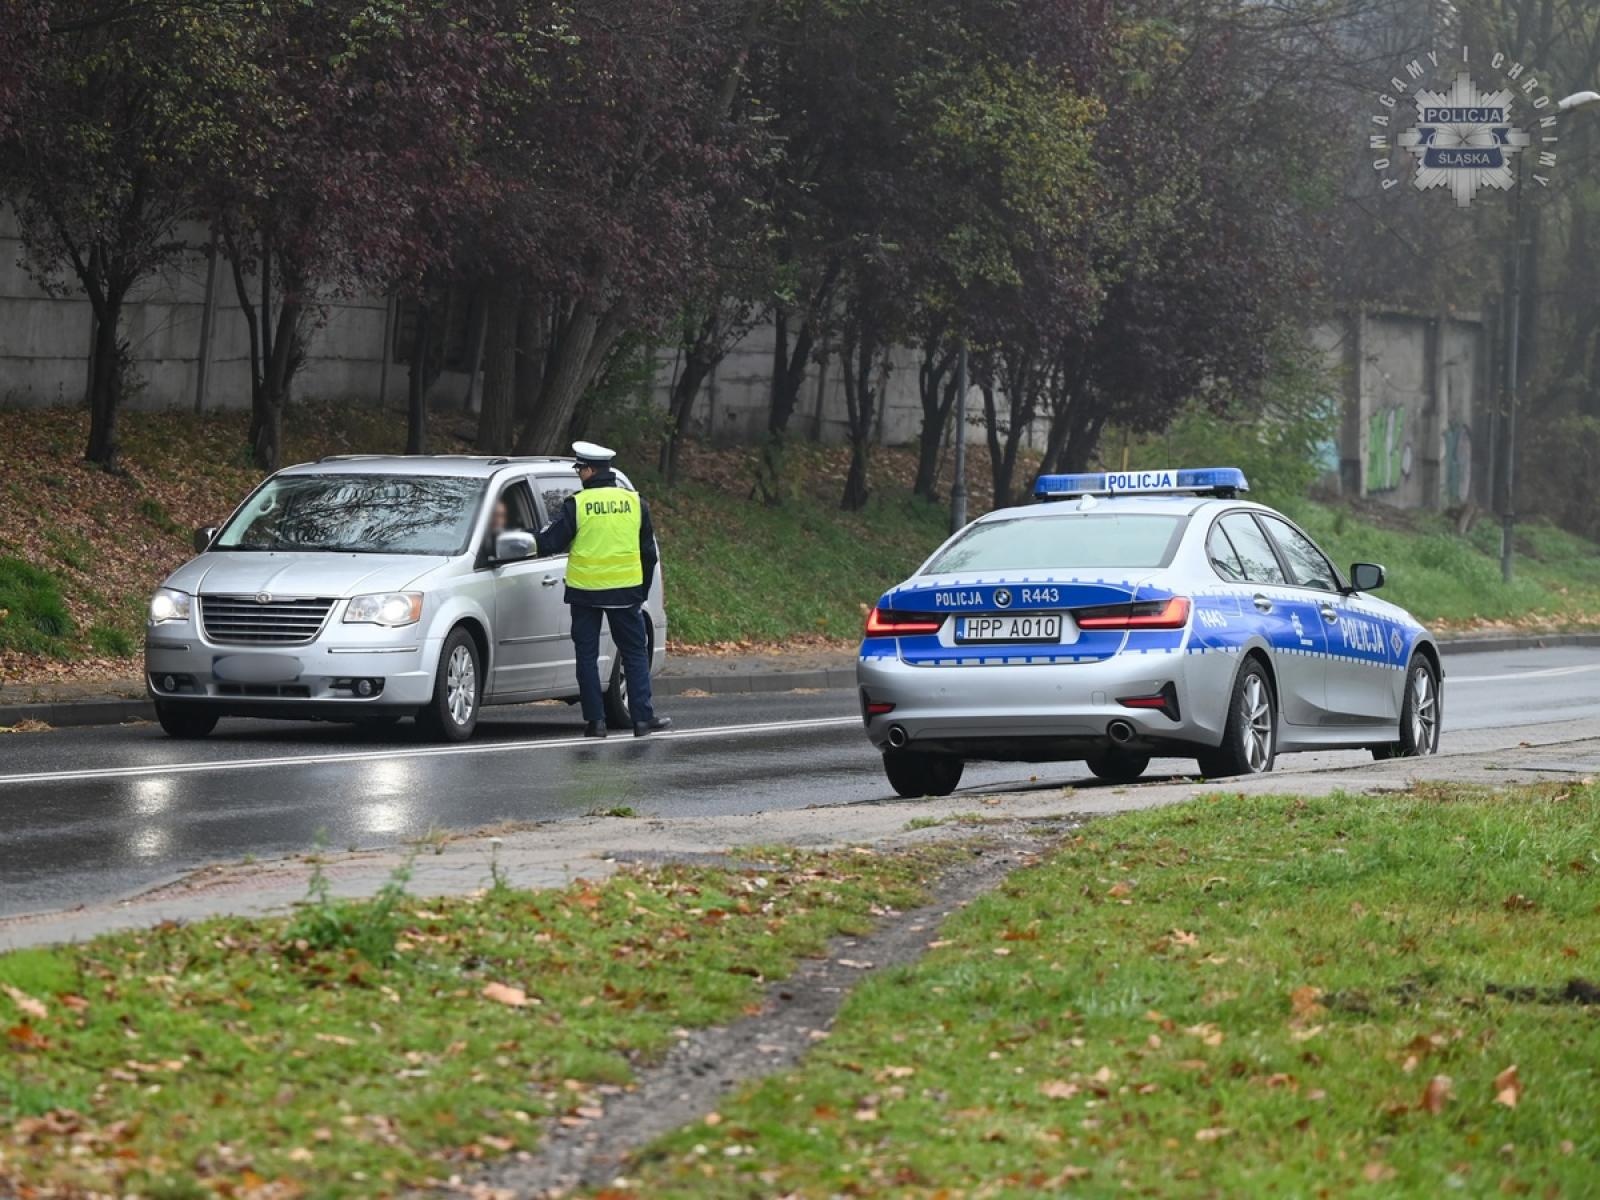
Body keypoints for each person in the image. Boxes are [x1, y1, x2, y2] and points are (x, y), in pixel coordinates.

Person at [534, 441, 670, 738]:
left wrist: (533, 535)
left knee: (587, 655)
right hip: (625, 594)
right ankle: (642, 720)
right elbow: (648, 553)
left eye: (580, 469)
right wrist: (641, 591)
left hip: (585, 594)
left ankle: (595, 723)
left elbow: (550, 543)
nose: (578, 474)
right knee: (634, 654)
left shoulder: (577, 504)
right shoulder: (636, 503)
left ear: (591, 470)